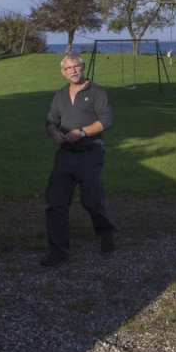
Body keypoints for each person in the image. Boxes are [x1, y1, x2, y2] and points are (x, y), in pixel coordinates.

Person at [42, 52, 117, 267]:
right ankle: (58, 252)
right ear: (62, 72)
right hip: (65, 155)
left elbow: (106, 120)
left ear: (83, 67)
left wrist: (81, 132)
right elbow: (51, 120)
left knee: (91, 200)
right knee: (55, 203)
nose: (73, 71)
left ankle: (106, 231)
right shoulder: (60, 95)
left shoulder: (96, 91)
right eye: (68, 68)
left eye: (76, 66)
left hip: (90, 153)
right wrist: (53, 132)